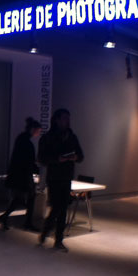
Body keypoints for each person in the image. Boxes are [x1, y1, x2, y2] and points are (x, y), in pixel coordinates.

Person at [38, 108, 84, 252]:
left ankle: (58, 239)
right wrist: (58, 159)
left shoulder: (72, 136)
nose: (67, 121)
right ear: (56, 120)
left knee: (63, 208)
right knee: (57, 207)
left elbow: (81, 155)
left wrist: (75, 157)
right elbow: (41, 158)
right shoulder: (47, 138)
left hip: (66, 177)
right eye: (64, 118)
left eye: (68, 118)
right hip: (54, 177)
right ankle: (47, 232)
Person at [0, 117, 41, 231]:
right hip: (22, 176)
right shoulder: (26, 142)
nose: (38, 133)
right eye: (38, 131)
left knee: (20, 199)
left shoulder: (22, 139)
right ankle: (25, 222)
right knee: (27, 198)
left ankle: (6, 217)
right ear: (33, 129)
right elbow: (27, 161)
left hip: (19, 175)